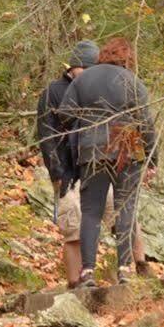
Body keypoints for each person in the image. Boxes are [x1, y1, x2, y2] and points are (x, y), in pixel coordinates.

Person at [60, 36, 158, 288]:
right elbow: (146, 123)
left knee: (91, 213)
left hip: (92, 149)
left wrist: (88, 124)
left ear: (101, 56)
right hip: (128, 147)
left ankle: (88, 272)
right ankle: (125, 268)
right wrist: (152, 158)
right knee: (125, 209)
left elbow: (65, 115)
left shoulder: (83, 79)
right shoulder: (132, 82)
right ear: (128, 59)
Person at [35, 40, 98, 286]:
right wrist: (56, 171)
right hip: (66, 170)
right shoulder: (53, 91)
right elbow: (45, 133)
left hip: (94, 167)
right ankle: (74, 282)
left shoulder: (95, 91)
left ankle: (105, 274)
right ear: (74, 67)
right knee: (73, 227)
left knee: (101, 223)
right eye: (86, 68)